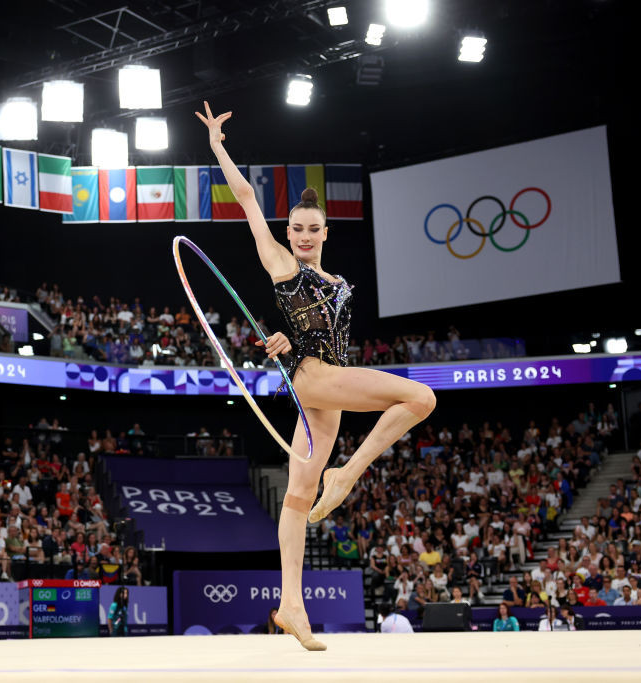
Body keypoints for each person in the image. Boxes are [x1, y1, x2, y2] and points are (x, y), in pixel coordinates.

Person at [196, 101, 436, 652]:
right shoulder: (282, 265)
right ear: (289, 231)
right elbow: (249, 201)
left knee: (298, 500)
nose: (303, 236)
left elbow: (311, 332)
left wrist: (285, 344)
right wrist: (217, 147)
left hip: (322, 386)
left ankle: (292, 607)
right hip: (313, 378)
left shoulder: (337, 277)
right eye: (296, 229)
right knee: (420, 397)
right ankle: (349, 473)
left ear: (325, 232)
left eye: (312, 230)